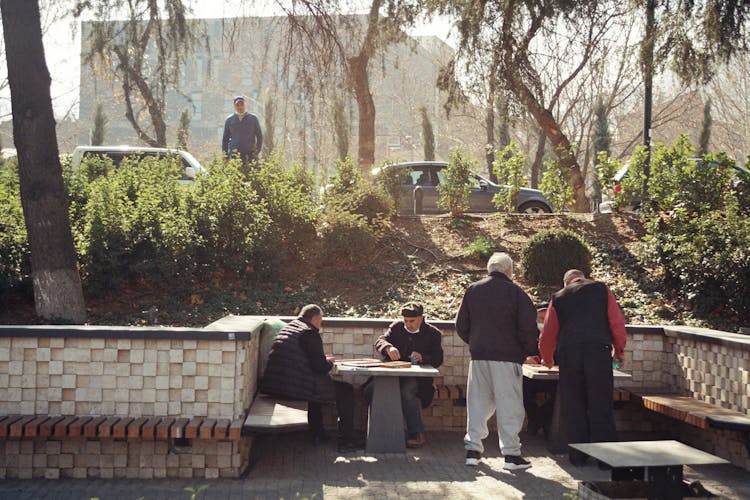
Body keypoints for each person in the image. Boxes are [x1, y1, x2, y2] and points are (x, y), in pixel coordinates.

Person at [456, 252, 538, 470]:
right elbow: (528, 328)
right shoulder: (516, 293)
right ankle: (511, 456)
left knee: (478, 404)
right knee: (509, 405)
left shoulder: (473, 290)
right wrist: (528, 351)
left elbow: (461, 325)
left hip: (479, 356)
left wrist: (474, 342)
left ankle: (472, 451)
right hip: (507, 358)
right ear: (509, 270)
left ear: (489, 269)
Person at [538, 269, 627, 466]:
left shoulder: (559, 297)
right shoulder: (601, 289)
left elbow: (548, 331)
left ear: (565, 283)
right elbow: (616, 321)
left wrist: (547, 358)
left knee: (574, 405)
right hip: (598, 351)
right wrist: (619, 349)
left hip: (569, 354)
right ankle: (607, 459)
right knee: (601, 404)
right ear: (584, 278)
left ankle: (578, 457)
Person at [259, 304, 360, 452]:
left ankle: (317, 434)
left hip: (277, 385)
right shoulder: (310, 333)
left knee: (314, 392)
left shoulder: (290, 328)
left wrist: (322, 359)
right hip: (292, 387)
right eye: (321, 320)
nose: (321, 324)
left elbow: (305, 357)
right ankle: (346, 442)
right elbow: (320, 367)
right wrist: (329, 362)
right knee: (346, 391)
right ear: (314, 318)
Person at [370, 302, 443, 448]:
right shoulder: (397, 327)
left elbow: (438, 359)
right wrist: (388, 347)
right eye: (406, 321)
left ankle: (417, 434)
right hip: (392, 374)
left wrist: (423, 357)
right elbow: (380, 340)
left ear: (421, 318)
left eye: (412, 321)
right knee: (370, 391)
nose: (408, 324)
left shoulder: (433, 334)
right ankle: (376, 434)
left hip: (419, 379)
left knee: (407, 391)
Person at [522, 305, 557, 438]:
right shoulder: (527, 333)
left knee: (562, 393)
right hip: (530, 378)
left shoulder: (557, 332)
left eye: (545, 318)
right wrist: (526, 359)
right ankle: (538, 420)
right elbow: (518, 351)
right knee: (523, 390)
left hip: (553, 377)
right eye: (540, 318)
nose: (542, 321)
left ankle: (539, 420)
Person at [221, 95, 263, 168]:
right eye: (237, 105)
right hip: (234, 156)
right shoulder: (229, 120)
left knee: (251, 177)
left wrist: (256, 152)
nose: (240, 107)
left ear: (245, 105)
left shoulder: (253, 119)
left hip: (250, 155)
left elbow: (259, 136)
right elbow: (225, 140)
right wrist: (225, 156)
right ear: (234, 106)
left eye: (242, 104)